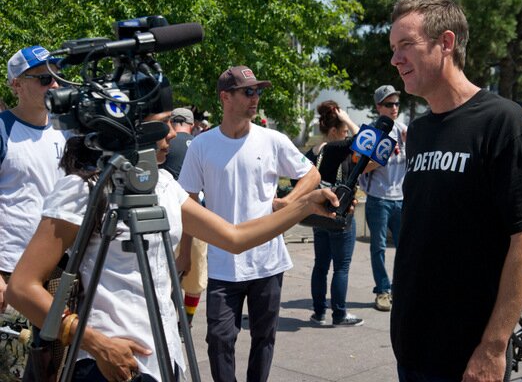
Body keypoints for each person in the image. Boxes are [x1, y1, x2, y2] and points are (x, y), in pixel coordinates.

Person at [6, 105, 338, 382]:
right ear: (127, 129)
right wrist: (95, 343)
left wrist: (304, 205)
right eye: (163, 124)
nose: (173, 134)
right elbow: (22, 287)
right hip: (106, 365)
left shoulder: (164, 184)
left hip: (166, 359)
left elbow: (235, 238)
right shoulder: (86, 187)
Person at [388, 0, 522, 381]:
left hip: (468, 354)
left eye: (405, 46)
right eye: (392, 48)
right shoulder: (418, 130)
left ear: (445, 42)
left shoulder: (503, 122)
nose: (395, 59)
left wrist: (494, 347)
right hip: (412, 345)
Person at [178, 65, 321, 382]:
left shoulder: (273, 140)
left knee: (264, 337)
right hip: (221, 263)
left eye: (257, 91)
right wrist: (185, 251)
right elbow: (185, 203)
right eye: (248, 91)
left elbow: (311, 174)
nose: (255, 98)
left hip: (267, 262)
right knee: (218, 339)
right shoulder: (201, 145)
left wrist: (290, 201)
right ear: (225, 97)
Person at [1, 45, 65, 313]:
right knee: (14, 354)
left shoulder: (68, 131)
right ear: (17, 85)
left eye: (56, 77)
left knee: (57, 354)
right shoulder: (4, 129)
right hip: (10, 269)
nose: (53, 84)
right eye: (43, 78)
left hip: (60, 267)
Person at [305, 100, 364, 327]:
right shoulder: (337, 148)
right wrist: (348, 118)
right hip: (339, 214)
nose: (347, 133)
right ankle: (339, 314)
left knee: (320, 265)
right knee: (341, 266)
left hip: (317, 215)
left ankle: (318, 312)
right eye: (344, 131)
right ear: (333, 131)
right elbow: (365, 141)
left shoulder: (312, 152)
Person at [358, 85, 407, 312]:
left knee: (405, 247)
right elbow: (358, 167)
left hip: (401, 198)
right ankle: (383, 290)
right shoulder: (369, 132)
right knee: (378, 247)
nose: (394, 108)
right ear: (378, 107)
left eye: (397, 103)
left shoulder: (405, 130)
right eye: (389, 104)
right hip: (378, 198)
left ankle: (400, 289)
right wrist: (381, 156)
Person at [161, 107, 208, 327]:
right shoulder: (201, 144)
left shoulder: (165, 142)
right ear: (192, 124)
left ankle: (167, 316)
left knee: (165, 273)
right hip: (196, 216)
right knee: (195, 277)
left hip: (166, 216)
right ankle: (185, 323)